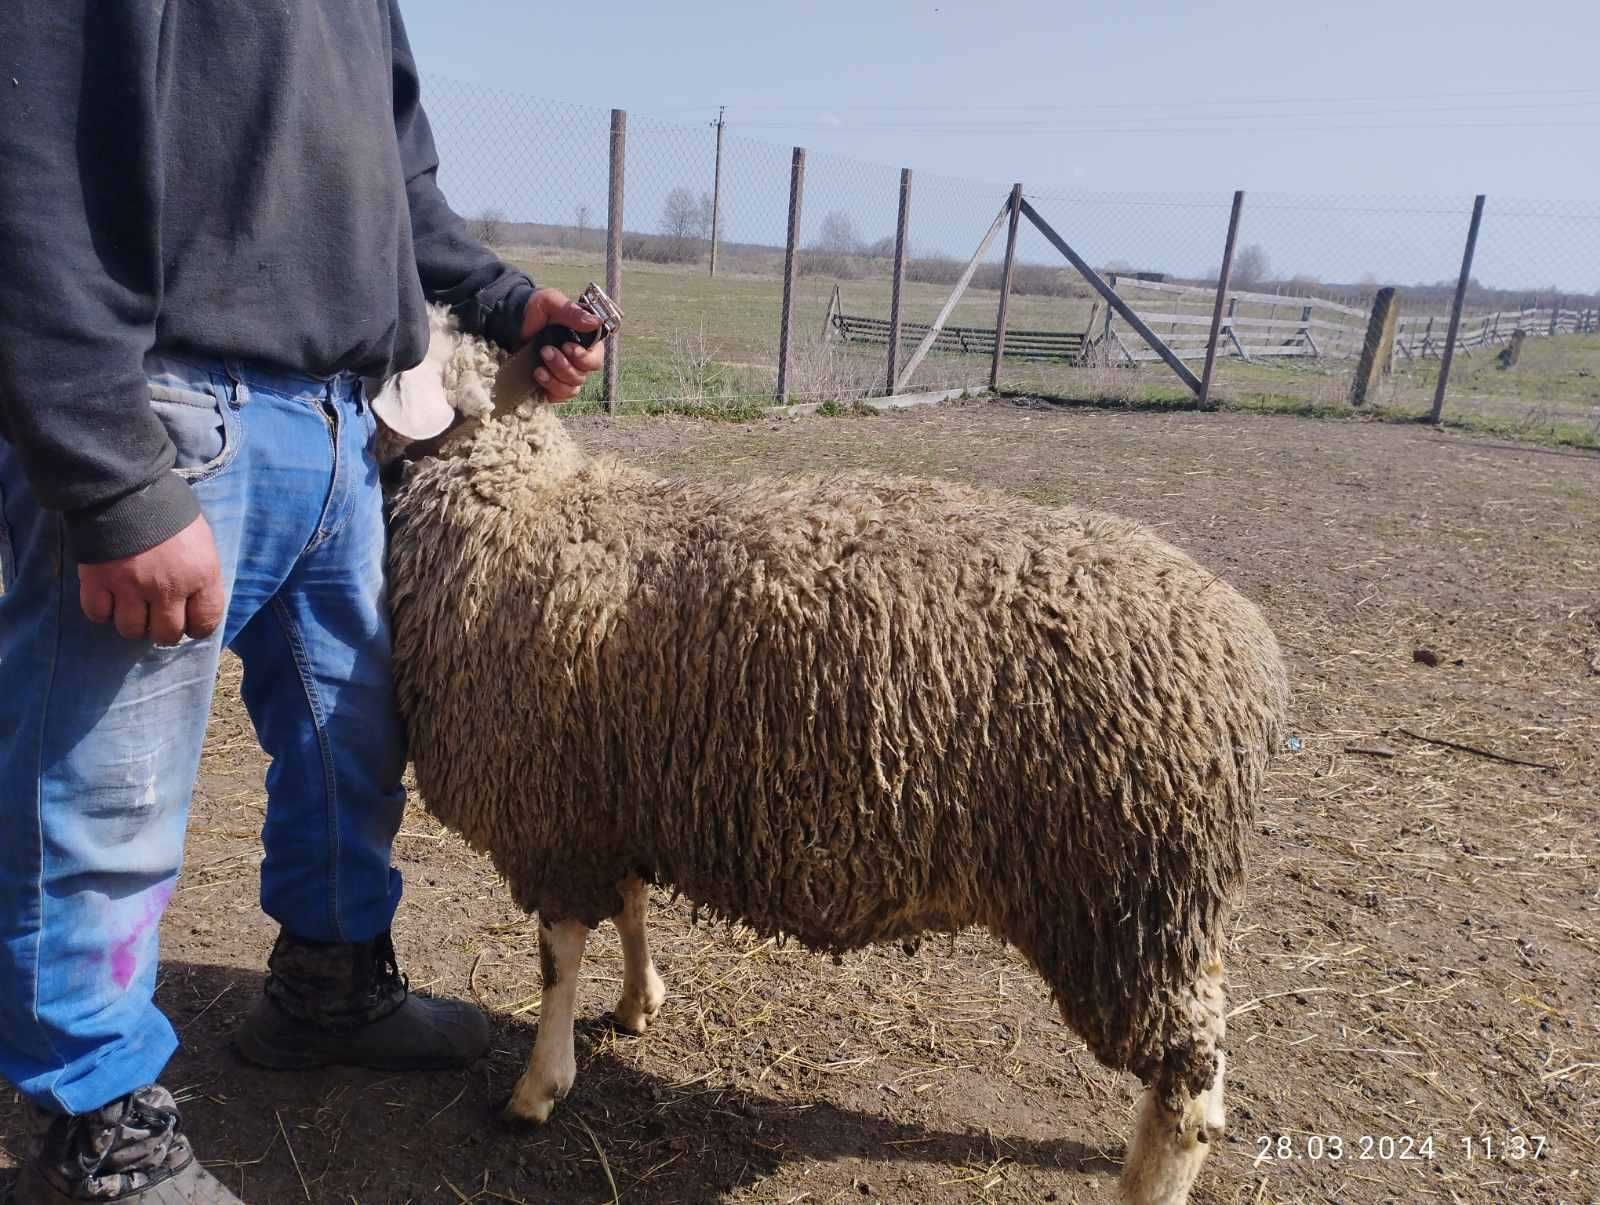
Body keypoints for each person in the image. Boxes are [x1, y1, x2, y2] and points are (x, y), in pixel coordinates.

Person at [0, 4, 605, 1201]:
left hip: (339, 419)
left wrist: (503, 301)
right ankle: (88, 1124)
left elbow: (399, 184)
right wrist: (109, 471)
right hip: (171, 409)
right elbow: (33, 156)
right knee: (101, 789)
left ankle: (328, 987)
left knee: (351, 743)